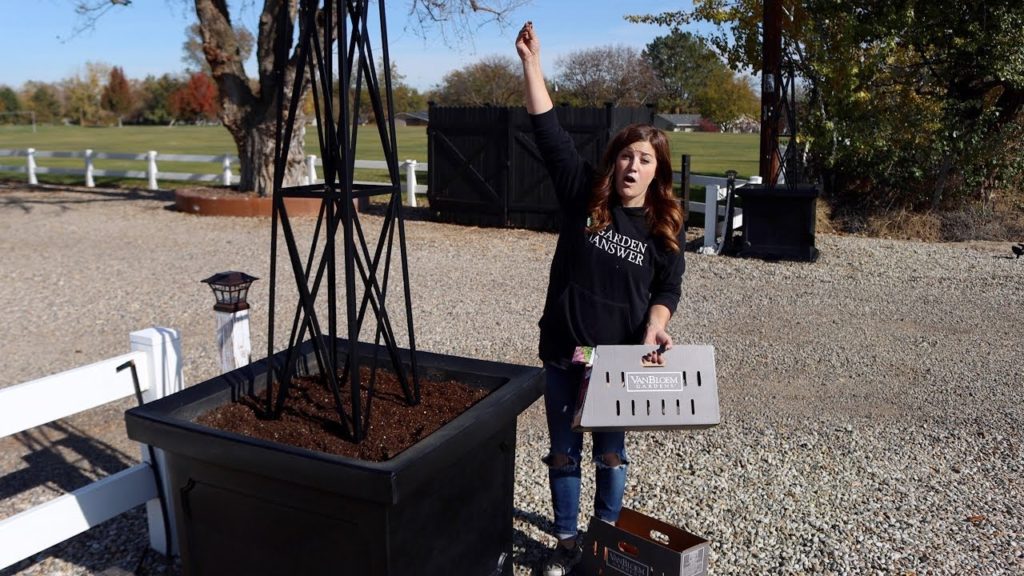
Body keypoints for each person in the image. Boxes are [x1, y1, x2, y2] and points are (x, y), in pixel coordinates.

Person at [515, 21, 687, 576]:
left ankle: (604, 537)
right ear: (614, 160)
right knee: (564, 452)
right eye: (626, 156)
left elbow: (667, 286)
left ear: (656, 172)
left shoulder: (662, 227)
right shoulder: (585, 199)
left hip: (617, 363)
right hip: (564, 350)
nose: (632, 166)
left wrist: (657, 323)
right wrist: (532, 63)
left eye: (645, 160)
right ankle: (566, 543)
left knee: (609, 454)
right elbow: (548, 131)